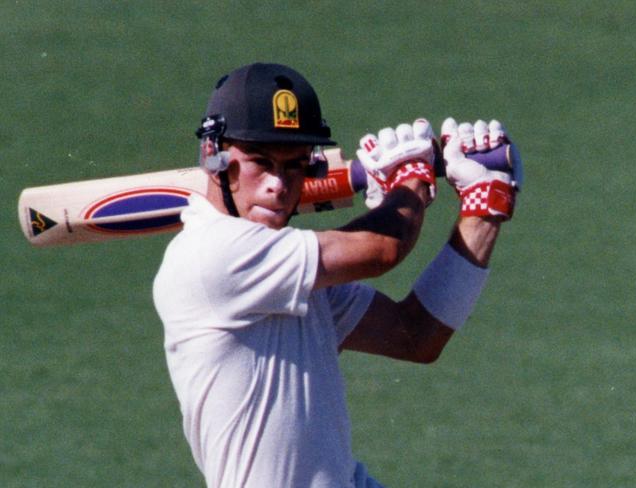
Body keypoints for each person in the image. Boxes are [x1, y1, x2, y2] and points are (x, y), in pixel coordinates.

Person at [153, 62, 521, 488]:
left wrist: (483, 213)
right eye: (260, 161)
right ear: (212, 154)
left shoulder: (294, 273)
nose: (278, 184)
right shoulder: (210, 255)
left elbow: (414, 336)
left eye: (293, 165)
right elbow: (383, 249)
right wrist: (412, 179)